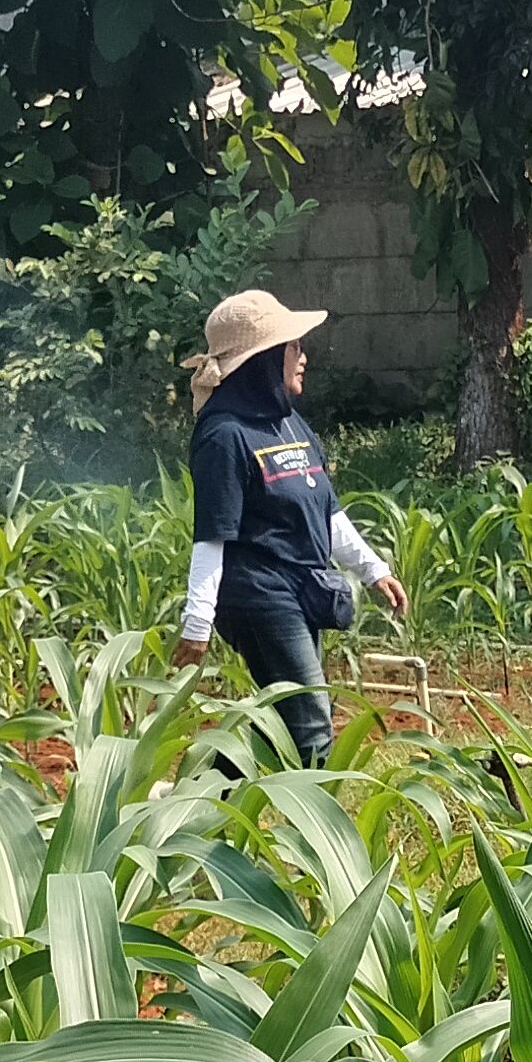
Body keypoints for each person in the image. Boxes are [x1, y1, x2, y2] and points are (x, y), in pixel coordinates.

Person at [173, 289, 403, 766]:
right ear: (264, 358)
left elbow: (325, 511)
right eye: (294, 347)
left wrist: (373, 569)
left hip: (305, 587)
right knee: (311, 724)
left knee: (281, 720)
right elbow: (213, 535)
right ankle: (316, 833)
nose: (303, 357)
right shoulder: (224, 435)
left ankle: (193, 803)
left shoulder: (290, 423)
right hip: (258, 594)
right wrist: (197, 624)